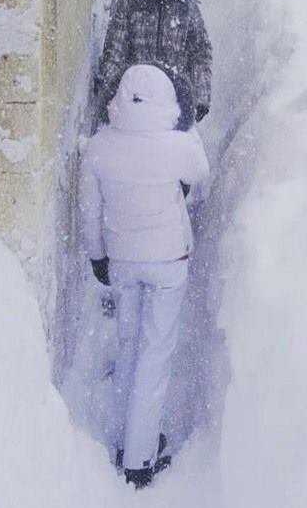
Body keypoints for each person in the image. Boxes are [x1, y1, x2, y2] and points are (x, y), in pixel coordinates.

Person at [80, 64, 210, 489]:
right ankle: (139, 458)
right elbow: (200, 177)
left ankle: (123, 441)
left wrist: (97, 255)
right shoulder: (178, 147)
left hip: (122, 261)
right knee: (154, 356)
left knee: (130, 344)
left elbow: (89, 210)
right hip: (167, 261)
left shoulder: (99, 147)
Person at [94, 0, 212, 129]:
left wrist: (200, 96)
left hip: (174, 102)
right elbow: (115, 49)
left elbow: (200, 53)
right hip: (135, 99)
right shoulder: (130, 0)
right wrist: (107, 88)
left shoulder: (185, 5)